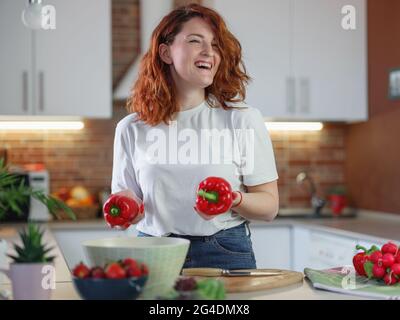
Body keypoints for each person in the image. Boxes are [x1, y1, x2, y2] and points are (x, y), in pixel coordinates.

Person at [111, 4, 279, 270]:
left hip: (222, 251)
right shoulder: (131, 128)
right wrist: (125, 210)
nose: (208, 52)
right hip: (153, 253)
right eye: (194, 41)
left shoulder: (241, 119)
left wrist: (234, 199)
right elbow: (126, 198)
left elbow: (269, 206)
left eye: (215, 44)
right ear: (165, 52)